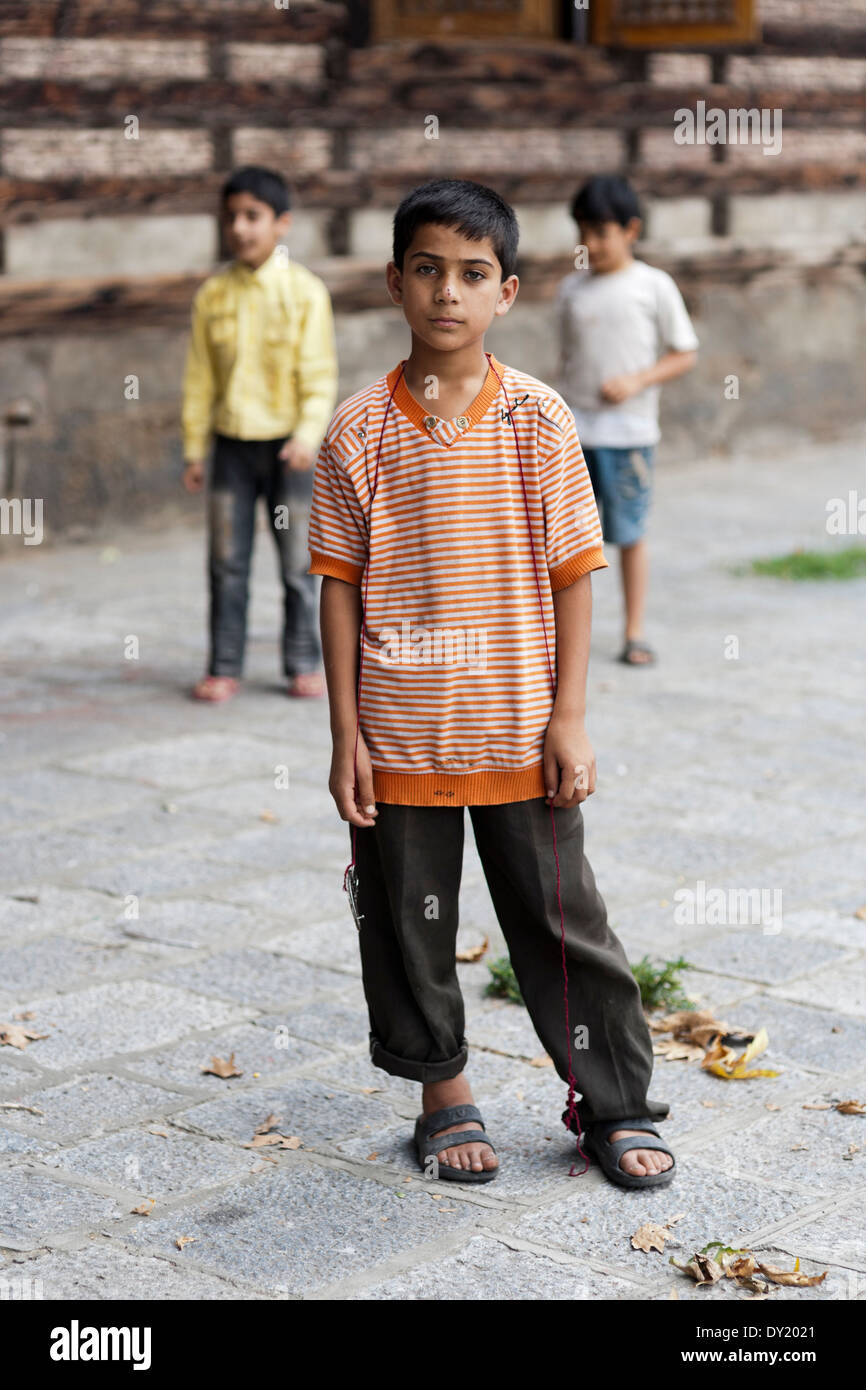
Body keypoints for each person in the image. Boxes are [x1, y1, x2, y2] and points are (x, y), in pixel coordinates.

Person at [307, 179, 674, 1190]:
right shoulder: (355, 434)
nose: (446, 293)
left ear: (507, 291)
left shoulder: (538, 421)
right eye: (426, 268)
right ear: (393, 280)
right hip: (399, 734)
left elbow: (571, 574)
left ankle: (612, 1101)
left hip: (520, 728)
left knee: (564, 923)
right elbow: (337, 591)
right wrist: (345, 737)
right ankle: (442, 1090)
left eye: (472, 274)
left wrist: (569, 717)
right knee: (407, 923)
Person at [181, 165, 338, 700]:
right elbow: (200, 377)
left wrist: (307, 435)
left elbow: (319, 375)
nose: (241, 228)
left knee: (298, 562)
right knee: (226, 562)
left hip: (289, 451)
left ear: (282, 223)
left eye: (253, 216)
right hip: (229, 447)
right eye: (231, 217)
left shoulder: (305, 293)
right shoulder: (213, 296)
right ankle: (224, 664)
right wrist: (192, 448)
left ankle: (302, 661)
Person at [555, 174, 698, 666]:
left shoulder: (653, 286)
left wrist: (637, 381)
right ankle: (560, 634)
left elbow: (684, 353)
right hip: (575, 435)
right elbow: (567, 361)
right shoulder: (571, 290)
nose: (590, 244)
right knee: (567, 538)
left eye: (601, 232)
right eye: (582, 232)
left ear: (631, 230)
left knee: (629, 533)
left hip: (630, 435)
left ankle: (634, 631)